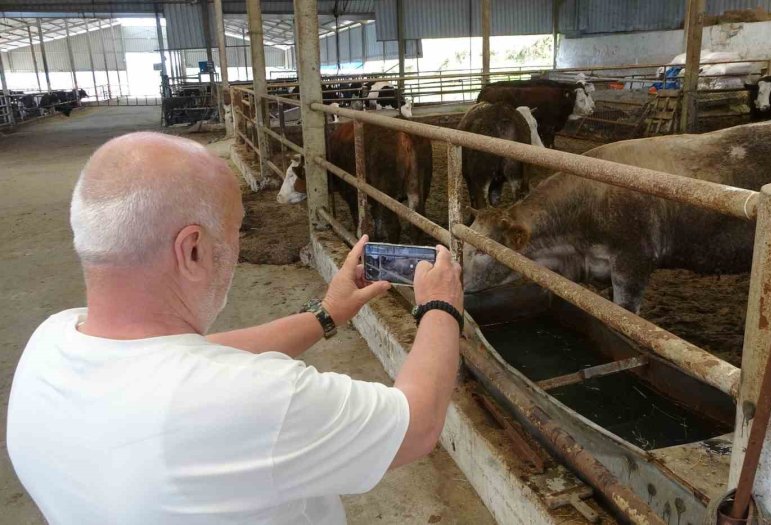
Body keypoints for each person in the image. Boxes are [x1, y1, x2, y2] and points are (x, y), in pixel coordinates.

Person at [6, 132, 465, 524]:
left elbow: (200, 353)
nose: (238, 245)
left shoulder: (51, 342)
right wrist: (441, 305)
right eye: (235, 231)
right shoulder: (255, 401)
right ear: (192, 251)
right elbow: (417, 426)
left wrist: (327, 312)